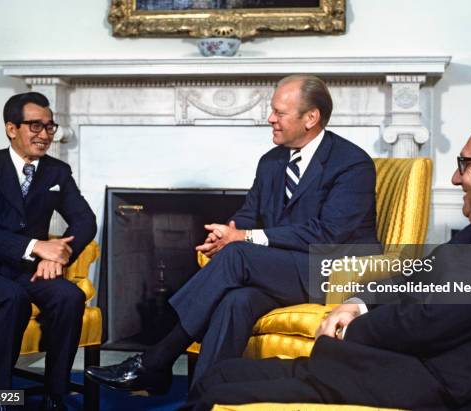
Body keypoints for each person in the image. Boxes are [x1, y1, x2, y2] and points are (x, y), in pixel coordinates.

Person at [185, 109, 471, 410]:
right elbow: (417, 273)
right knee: (222, 375)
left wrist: (348, 331)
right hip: (405, 369)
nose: (456, 177)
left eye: (465, 163)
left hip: (426, 384)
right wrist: (358, 303)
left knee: (219, 385)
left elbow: (433, 320)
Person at [85, 74, 381, 390]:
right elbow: (249, 215)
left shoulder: (351, 163)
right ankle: (204, 399)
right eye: (272, 110)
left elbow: (329, 234)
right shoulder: (271, 162)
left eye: (279, 112)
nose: (271, 119)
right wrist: (227, 232)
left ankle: (156, 360)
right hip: (280, 270)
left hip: (332, 271)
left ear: (311, 118)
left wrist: (244, 239)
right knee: (236, 301)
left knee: (238, 254)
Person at [0, 92, 97, 411]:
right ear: (11, 128)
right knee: (10, 298)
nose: (44, 135)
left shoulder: (57, 171)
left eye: (50, 126)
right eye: (35, 126)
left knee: (68, 296)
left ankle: (56, 394)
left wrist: (60, 254)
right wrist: (37, 247)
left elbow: (85, 220)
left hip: (29, 267)